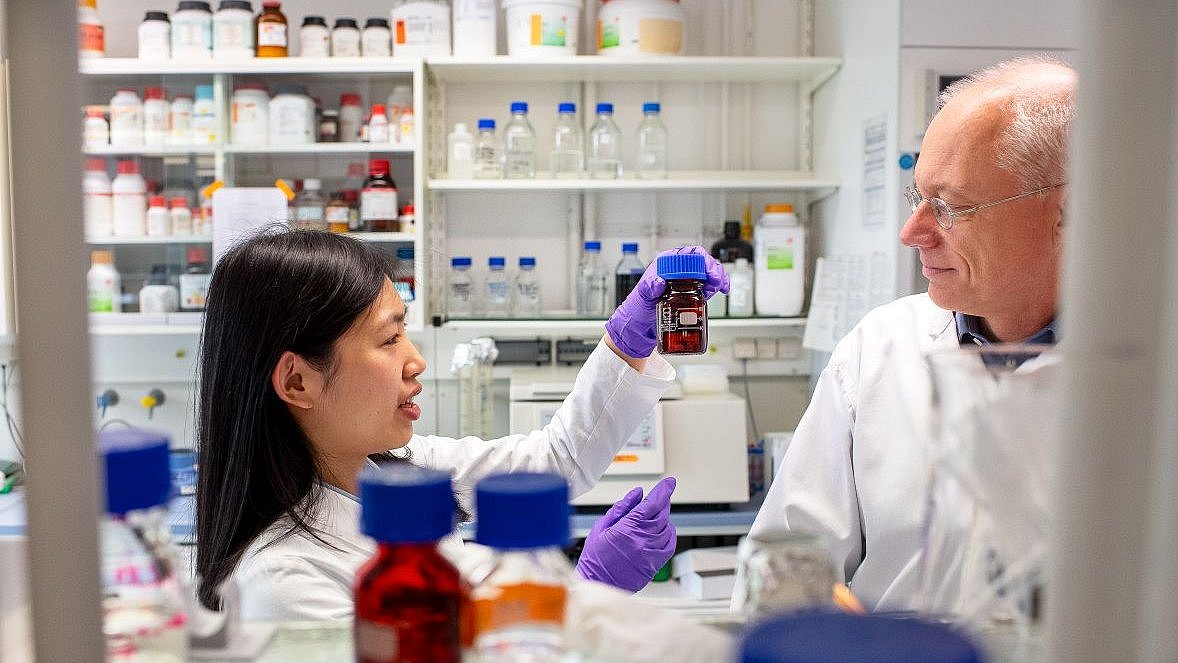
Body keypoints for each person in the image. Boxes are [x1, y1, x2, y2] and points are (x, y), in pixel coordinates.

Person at [194, 230, 729, 620]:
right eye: (388, 339)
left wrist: (628, 341)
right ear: (296, 382)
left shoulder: (399, 472)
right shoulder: (284, 582)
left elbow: (557, 460)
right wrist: (585, 592)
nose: (416, 361)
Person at [748, 55, 1074, 611]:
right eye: (917, 197)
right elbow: (788, 567)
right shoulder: (878, 349)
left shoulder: (1153, 371)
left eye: (951, 207)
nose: (912, 232)